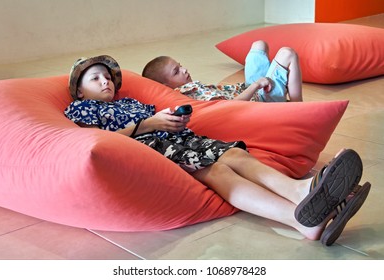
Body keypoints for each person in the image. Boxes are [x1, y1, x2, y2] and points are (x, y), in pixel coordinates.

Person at [64, 55, 370, 246]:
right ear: (79, 90)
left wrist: (172, 119)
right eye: (95, 78)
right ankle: (300, 206)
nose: (105, 81)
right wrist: (147, 125)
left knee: (232, 157)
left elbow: (155, 117)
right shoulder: (82, 109)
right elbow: (98, 144)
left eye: (107, 76)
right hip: (148, 148)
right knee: (218, 169)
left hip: (177, 139)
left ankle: (302, 204)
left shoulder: (129, 102)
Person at [141, 40, 303, 102]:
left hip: (250, 89)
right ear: (165, 86)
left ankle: (282, 91)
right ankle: (297, 109)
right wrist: (257, 85)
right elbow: (231, 108)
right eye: (176, 72)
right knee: (287, 53)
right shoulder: (188, 94)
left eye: (180, 65)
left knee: (259, 45)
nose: (184, 70)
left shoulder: (189, 89)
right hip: (259, 100)